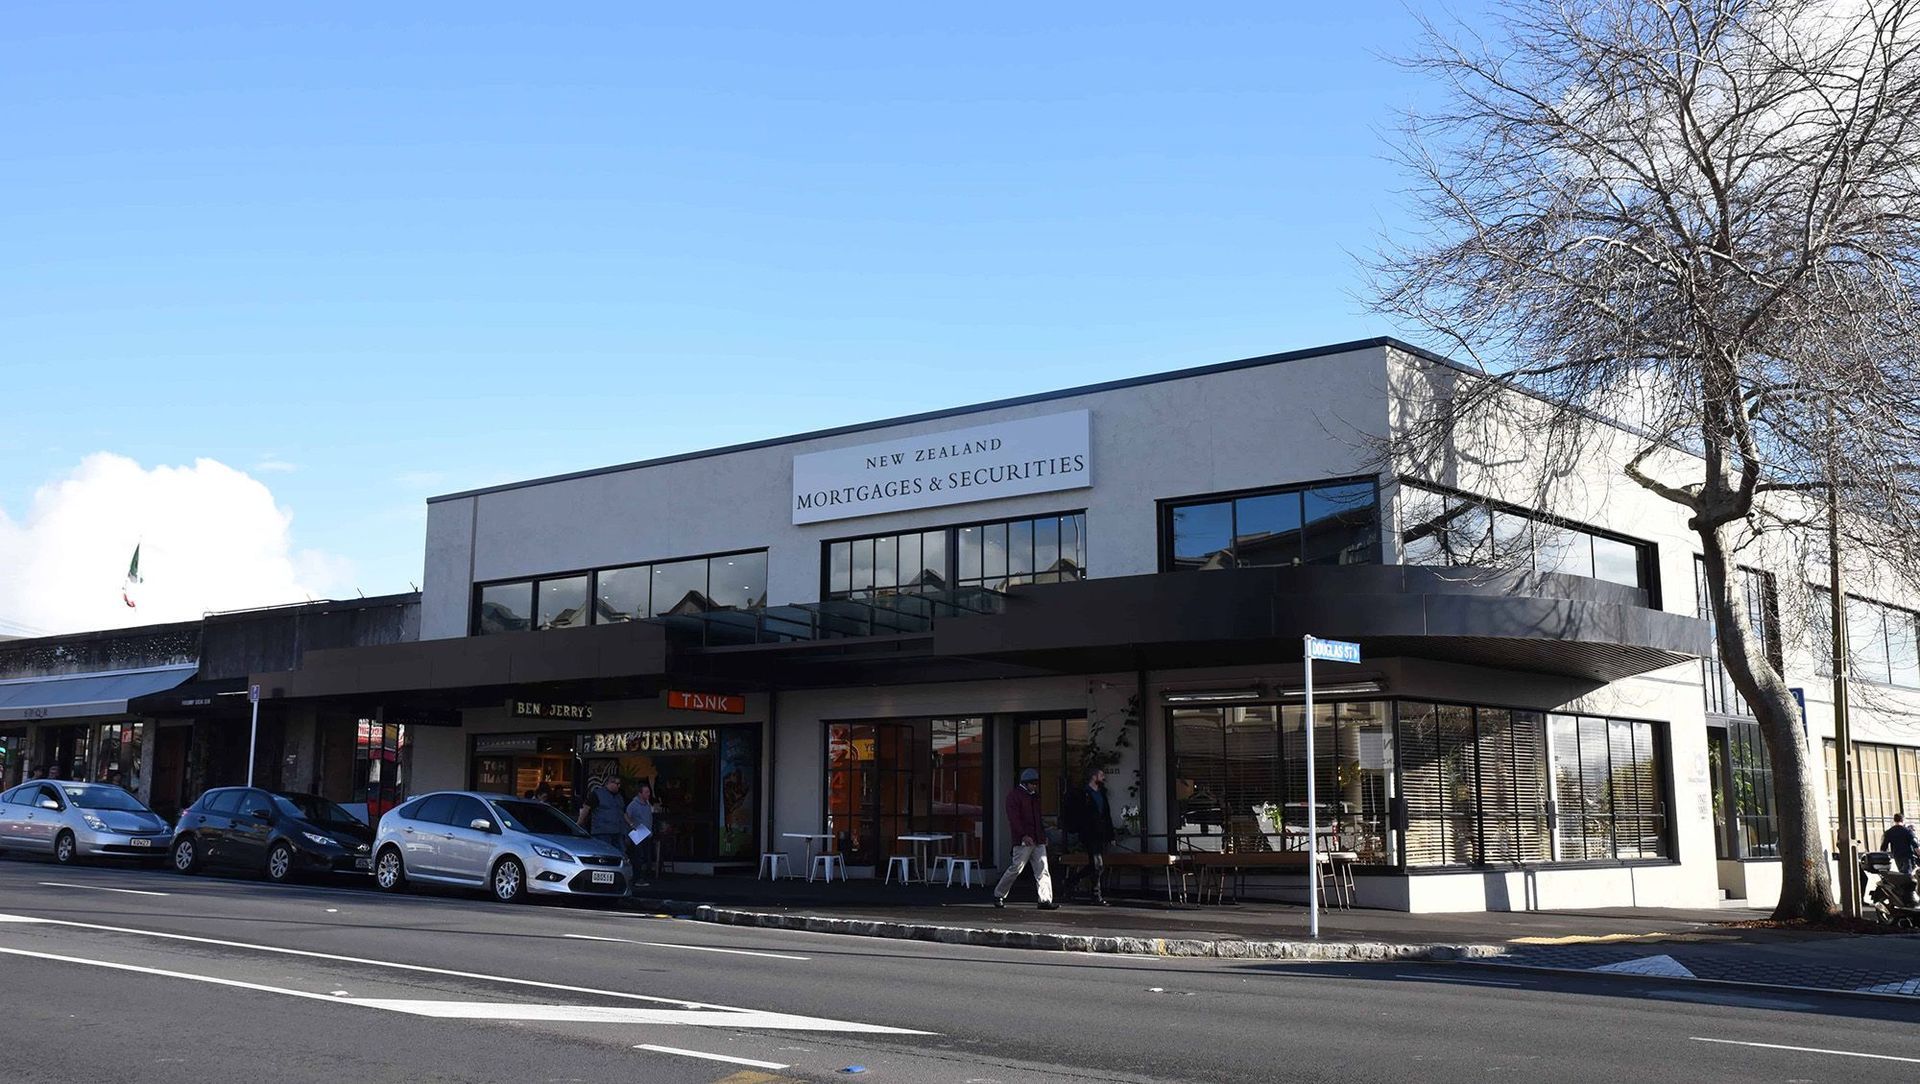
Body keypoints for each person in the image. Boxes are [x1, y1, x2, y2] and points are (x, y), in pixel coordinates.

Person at [992, 768, 1058, 910]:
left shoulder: (1030, 796)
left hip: (1036, 838)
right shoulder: (1015, 796)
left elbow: (1037, 818)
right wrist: (1023, 835)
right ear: (1025, 783)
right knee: (1017, 868)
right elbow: (1014, 819)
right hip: (1025, 839)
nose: (1035, 786)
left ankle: (1045, 899)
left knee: (1042, 868)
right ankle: (999, 894)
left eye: (1036, 783)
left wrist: (1042, 835)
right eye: (1033, 783)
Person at [1064, 767, 1117, 905]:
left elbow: (1106, 815)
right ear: (1094, 777)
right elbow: (1077, 813)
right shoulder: (1083, 794)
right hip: (1088, 833)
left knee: (1095, 865)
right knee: (1097, 864)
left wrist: (1111, 835)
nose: (1103, 777)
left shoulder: (1101, 793)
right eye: (1101, 775)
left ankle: (1072, 881)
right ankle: (1096, 895)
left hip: (1100, 833)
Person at [578, 775, 628, 855]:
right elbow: (586, 808)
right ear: (610, 783)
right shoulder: (597, 794)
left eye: (619, 784)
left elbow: (623, 812)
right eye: (617, 784)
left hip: (618, 831)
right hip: (602, 832)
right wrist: (579, 822)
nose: (619, 786)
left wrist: (630, 824)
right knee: (604, 854)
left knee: (619, 854)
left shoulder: (619, 796)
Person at [625, 781, 658, 885]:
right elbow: (626, 815)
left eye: (649, 792)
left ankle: (642, 877)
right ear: (640, 793)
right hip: (638, 834)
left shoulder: (647, 804)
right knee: (638, 857)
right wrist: (632, 825)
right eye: (646, 792)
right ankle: (637, 878)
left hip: (647, 834)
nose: (648, 794)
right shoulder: (633, 804)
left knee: (645, 857)